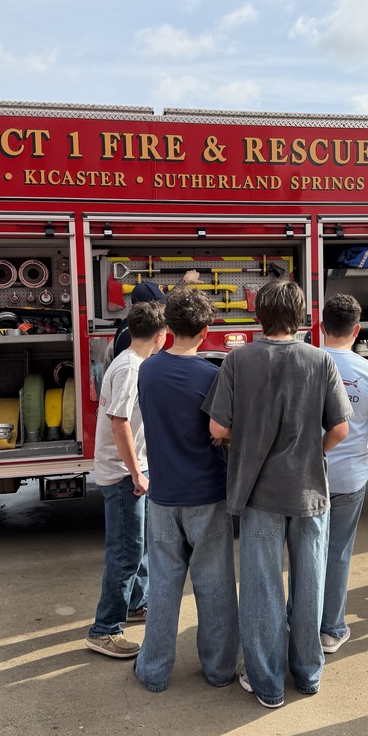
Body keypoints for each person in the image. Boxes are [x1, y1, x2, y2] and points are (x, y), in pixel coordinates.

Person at [203, 280, 352, 709]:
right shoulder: (320, 360)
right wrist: (311, 450)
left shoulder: (238, 359)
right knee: (310, 586)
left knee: (261, 590)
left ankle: (267, 684)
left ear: (257, 314)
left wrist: (245, 439)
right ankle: (308, 675)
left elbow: (217, 428)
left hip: (258, 495)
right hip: (308, 492)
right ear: (302, 315)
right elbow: (340, 428)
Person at [133, 287, 239, 691]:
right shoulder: (212, 377)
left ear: (168, 326)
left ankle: (154, 671)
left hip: (162, 496)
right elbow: (223, 432)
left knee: (162, 587)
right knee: (214, 588)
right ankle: (219, 670)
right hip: (208, 495)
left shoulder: (147, 370)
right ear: (206, 330)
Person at [318, 294, 368, 654]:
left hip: (307, 477)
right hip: (350, 478)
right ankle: (331, 630)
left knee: (306, 552)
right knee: (337, 552)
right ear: (357, 330)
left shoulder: (309, 363)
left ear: (320, 327)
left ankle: (300, 620)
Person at [85, 302, 168, 659]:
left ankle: (136, 604)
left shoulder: (128, 361)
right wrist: (136, 472)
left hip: (130, 470)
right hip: (123, 475)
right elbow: (119, 421)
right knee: (126, 553)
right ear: (163, 336)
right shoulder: (132, 368)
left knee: (140, 546)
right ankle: (105, 629)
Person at [112, 271, 200, 359]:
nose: (164, 308)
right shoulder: (137, 334)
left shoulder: (134, 324)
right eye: (161, 305)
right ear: (146, 308)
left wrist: (185, 280)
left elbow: (168, 300)